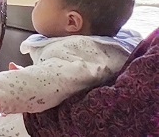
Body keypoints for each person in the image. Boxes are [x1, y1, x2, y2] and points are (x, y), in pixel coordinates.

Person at [0, 0, 140, 136]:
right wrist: (32, 76)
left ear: (71, 21)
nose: (35, 4)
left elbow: (50, 79)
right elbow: (57, 81)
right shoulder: (103, 49)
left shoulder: (78, 52)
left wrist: (0, 91)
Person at [20, 27, 159, 136]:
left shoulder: (75, 50)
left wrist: (19, 88)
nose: (36, 3)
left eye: (42, 0)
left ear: (72, 21)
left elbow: (118, 115)